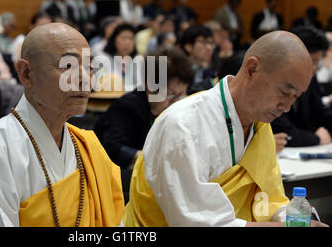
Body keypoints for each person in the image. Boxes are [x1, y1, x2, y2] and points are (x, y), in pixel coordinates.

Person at [124, 30, 328, 227]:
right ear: (252, 69)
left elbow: (270, 199)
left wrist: (295, 220)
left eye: (295, 97)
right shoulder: (183, 125)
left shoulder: (260, 124)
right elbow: (195, 223)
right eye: (284, 92)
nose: (286, 107)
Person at [0, 23, 124, 226]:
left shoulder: (87, 146)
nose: (85, 79)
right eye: (68, 66)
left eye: (89, 67)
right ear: (26, 73)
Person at [94, 48, 195, 169]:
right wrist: (153, 159)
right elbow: (113, 149)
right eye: (171, 94)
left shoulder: (185, 108)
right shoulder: (127, 107)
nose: (176, 102)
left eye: (181, 94)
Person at [271, 26, 332, 147]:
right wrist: (317, 138)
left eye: (318, 62)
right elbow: (282, 131)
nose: (316, 68)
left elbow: (321, 112)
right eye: (313, 62)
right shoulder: (274, 81)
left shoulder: (310, 77)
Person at [178, 25, 216, 93]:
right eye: (203, 42)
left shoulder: (208, 72)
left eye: (211, 43)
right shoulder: (178, 70)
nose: (209, 48)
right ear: (188, 47)